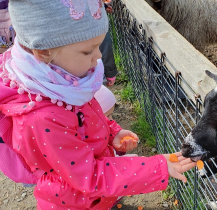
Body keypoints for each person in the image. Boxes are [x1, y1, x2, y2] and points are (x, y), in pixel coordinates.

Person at [0, 1, 196, 209]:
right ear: (43, 52)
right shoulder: (42, 117)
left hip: (92, 195)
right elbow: (90, 177)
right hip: (76, 202)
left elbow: (84, 116)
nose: (99, 56)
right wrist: (157, 168)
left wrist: (112, 133)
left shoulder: (63, 82)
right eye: (88, 51)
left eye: (98, 46)